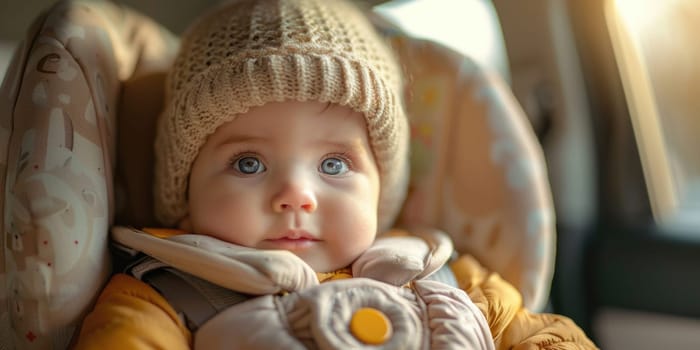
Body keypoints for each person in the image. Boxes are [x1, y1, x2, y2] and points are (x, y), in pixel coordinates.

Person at [74, 0, 597, 349]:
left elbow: (542, 334)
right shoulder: (160, 297)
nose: (296, 195)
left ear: (381, 192)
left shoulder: (446, 275)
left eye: (334, 164)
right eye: (248, 163)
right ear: (184, 192)